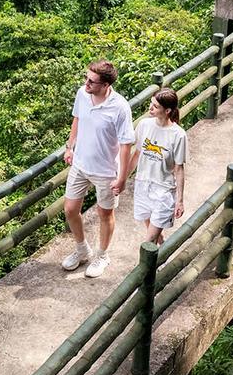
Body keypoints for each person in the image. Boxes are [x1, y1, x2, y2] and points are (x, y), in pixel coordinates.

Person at [62, 59, 135, 278]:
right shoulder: (82, 94)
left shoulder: (120, 107)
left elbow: (126, 145)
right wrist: (69, 147)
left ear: (106, 85)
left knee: (105, 213)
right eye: (86, 78)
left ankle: (102, 255)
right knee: (70, 209)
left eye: (91, 81)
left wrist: (122, 178)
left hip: (106, 170)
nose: (86, 84)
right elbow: (77, 119)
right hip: (80, 164)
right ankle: (82, 249)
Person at [132, 87, 188, 247]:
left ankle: (146, 263)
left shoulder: (178, 135)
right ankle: (163, 250)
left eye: (155, 106)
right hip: (142, 185)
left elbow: (179, 168)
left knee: (148, 242)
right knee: (153, 233)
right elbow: (136, 154)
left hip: (163, 191)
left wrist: (180, 201)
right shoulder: (144, 125)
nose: (150, 108)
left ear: (168, 110)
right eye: (151, 103)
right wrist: (121, 179)